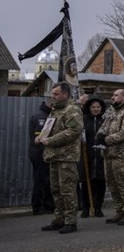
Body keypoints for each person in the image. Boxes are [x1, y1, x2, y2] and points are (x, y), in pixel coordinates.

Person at [38, 82, 83, 234]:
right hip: (54, 156)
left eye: (56, 94)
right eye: (53, 94)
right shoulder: (56, 110)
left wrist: (50, 140)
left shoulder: (72, 109)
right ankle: (59, 219)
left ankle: (70, 221)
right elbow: (49, 128)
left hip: (66, 157)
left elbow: (74, 131)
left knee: (67, 190)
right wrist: (41, 137)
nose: (53, 96)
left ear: (65, 94)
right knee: (56, 190)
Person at [98, 88, 124, 226]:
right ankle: (120, 211)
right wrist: (99, 136)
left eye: (116, 95)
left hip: (122, 155)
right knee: (112, 185)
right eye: (113, 95)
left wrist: (106, 139)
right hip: (109, 154)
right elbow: (103, 127)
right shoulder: (113, 111)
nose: (112, 97)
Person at [79, 95, 107, 218]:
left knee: (100, 183)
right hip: (87, 156)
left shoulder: (105, 121)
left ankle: (98, 207)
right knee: (86, 182)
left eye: (98, 107)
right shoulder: (84, 119)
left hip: (101, 156)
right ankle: (86, 208)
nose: (95, 109)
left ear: (101, 108)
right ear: (88, 108)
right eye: (93, 107)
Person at [29, 100, 55, 216]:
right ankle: (38, 207)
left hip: (42, 152)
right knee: (40, 180)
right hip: (39, 152)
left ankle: (48, 205)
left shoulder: (47, 115)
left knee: (46, 180)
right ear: (50, 105)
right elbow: (40, 137)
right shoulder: (41, 116)